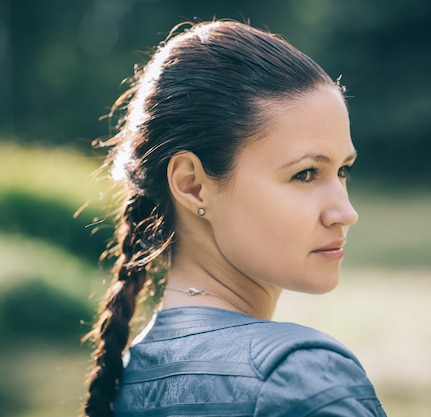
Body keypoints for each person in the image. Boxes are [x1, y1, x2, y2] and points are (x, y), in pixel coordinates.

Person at [83, 20, 387, 417]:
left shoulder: (126, 380)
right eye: (305, 173)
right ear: (192, 185)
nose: (346, 213)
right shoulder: (298, 377)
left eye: (342, 170)